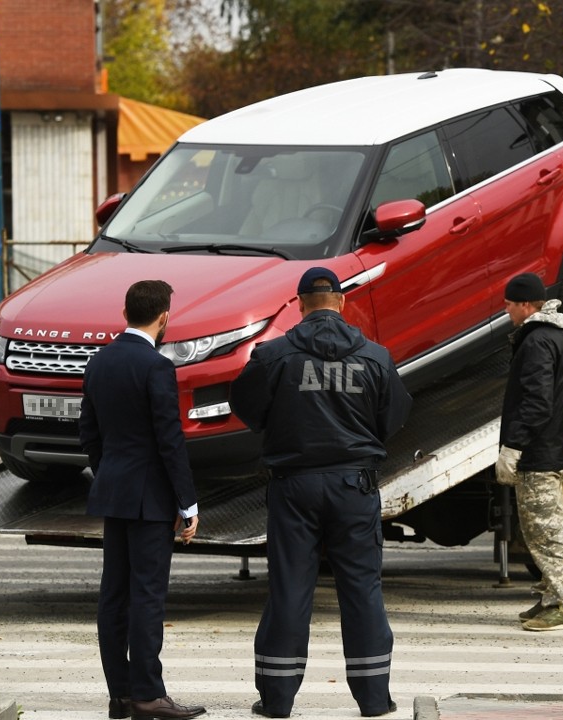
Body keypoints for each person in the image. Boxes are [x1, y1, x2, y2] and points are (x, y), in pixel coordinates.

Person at [230, 267, 412, 719]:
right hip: (354, 485)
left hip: (295, 486)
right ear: (342, 302)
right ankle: (373, 699)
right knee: (362, 590)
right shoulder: (375, 357)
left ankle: (277, 700)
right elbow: (393, 418)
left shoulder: (273, 355)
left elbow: (245, 407)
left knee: (291, 589)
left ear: (299, 304)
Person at [79, 280, 205, 720]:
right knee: (147, 597)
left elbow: (89, 435)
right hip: (151, 499)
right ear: (164, 316)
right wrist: (187, 503)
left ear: (126, 312)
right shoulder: (156, 367)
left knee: (113, 596)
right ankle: (149, 695)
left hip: (113, 493)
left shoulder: (99, 363)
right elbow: (169, 439)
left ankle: (121, 695)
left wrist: (112, 472)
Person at [494, 272, 563, 632]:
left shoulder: (537, 342)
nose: (507, 310)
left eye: (510, 304)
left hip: (537, 452)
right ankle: (548, 595)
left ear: (527, 305)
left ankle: (560, 604)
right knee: (540, 528)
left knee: (545, 530)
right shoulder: (559, 337)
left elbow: (536, 402)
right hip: (550, 447)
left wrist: (513, 445)